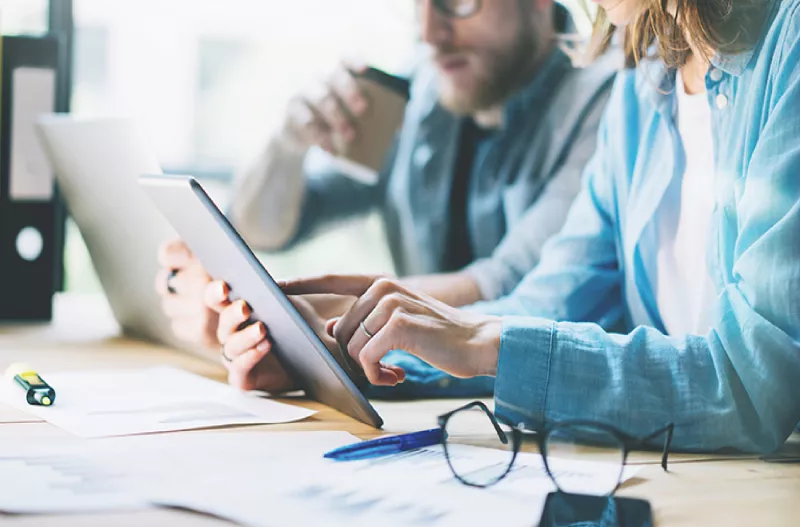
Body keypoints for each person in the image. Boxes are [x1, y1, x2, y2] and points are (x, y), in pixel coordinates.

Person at [221, 0, 800, 453]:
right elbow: (555, 302)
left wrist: (479, 342)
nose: (430, 31)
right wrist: (342, 357)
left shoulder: (785, 44)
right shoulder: (645, 77)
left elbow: (752, 384)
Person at [156, 0, 618, 348]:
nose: (430, 33)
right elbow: (276, 227)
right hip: (421, 398)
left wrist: (272, 315)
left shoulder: (606, 101)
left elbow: (511, 282)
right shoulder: (423, 87)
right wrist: (289, 144)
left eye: (456, 2)